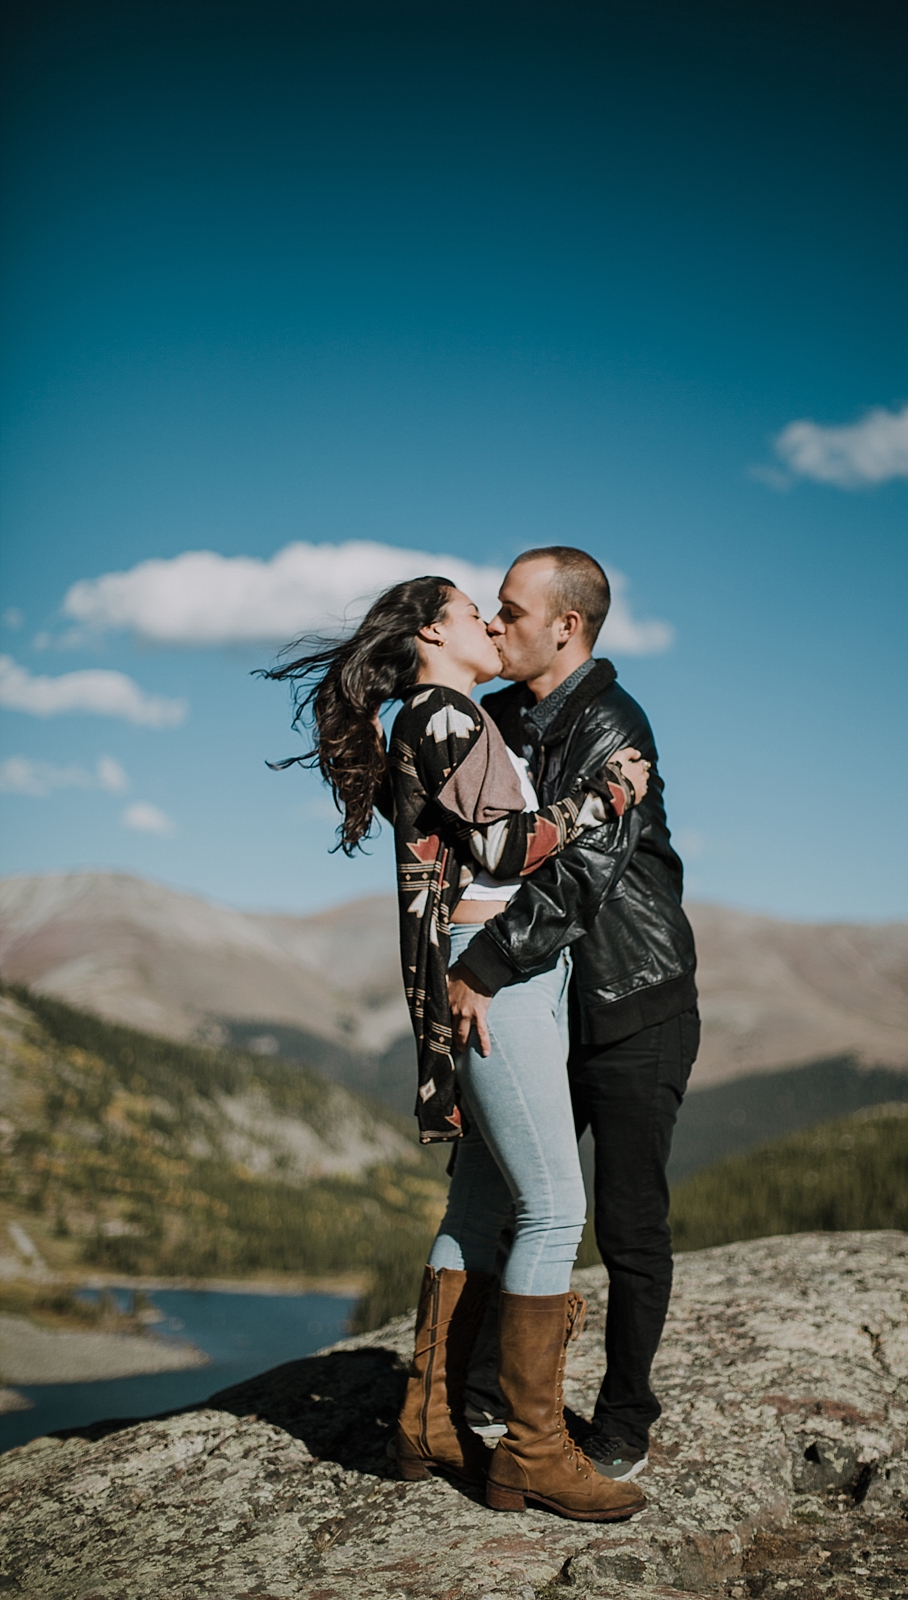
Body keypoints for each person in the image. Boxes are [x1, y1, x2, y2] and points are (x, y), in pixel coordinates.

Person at [263, 575, 649, 1521]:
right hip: (497, 986)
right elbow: (505, 849)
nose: (487, 618)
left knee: (480, 1203)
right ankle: (531, 1452)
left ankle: (427, 1422)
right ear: (435, 629)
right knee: (555, 1209)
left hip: (504, 978)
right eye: (471, 608)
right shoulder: (441, 716)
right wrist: (606, 796)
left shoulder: (450, 717)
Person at [448, 547, 700, 1484]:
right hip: (542, 1001)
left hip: (634, 1000)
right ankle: (483, 1393)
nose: (494, 624)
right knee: (513, 1201)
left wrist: (478, 963)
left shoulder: (611, 722)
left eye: (509, 611)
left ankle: (625, 1417)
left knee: (626, 1224)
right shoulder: (500, 715)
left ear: (568, 625)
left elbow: (581, 873)